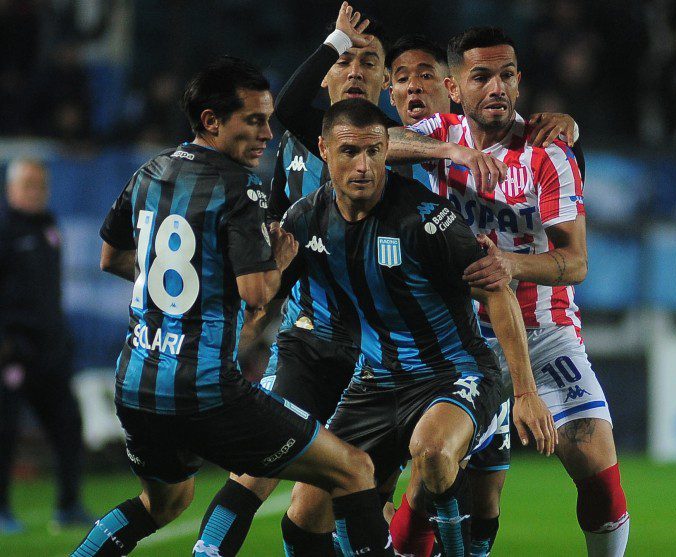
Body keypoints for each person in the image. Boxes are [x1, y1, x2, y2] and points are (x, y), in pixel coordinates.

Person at [192, 6, 512, 555]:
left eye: (371, 61)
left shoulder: (411, 146)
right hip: (315, 341)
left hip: (394, 348)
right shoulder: (299, 141)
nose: (357, 69)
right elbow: (273, 255)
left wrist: (555, 129)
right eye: (345, 58)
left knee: (385, 488)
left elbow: (462, 122)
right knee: (274, 480)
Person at [69, 56, 390, 557]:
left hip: (136, 385)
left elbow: (112, 256)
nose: (266, 132)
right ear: (212, 122)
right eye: (254, 120)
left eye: (268, 119)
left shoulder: (150, 172)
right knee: (352, 469)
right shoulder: (241, 188)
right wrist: (281, 259)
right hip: (206, 393)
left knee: (164, 504)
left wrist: (190, 281)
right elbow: (259, 294)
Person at [388, 27, 630, 557]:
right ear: (455, 88)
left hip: (544, 332)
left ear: (519, 82)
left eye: (506, 75)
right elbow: (373, 144)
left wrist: (509, 263)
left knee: (595, 459)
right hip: (457, 340)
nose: (497, 87)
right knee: (430, 483)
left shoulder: (550, 155)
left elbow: (575, 262)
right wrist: (449, 148)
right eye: (481, 76)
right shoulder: (436, 134)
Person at [279, 98, 557, 557]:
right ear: (324, 151)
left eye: (374, 151)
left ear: (388, 149)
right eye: (350, 152)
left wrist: (526, 393)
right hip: (377, 382)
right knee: (306, 510)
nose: (364, 165)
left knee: (431, 452)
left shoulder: (427, 221)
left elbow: (498, 291)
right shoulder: (306, 220)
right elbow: (260, 297)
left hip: (457, 375)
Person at [0, 159, 91, 533]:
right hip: (13, 351)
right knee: (4, 433)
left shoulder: (50, 227)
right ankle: (1, 510)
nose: (36, 191)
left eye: (41, 185)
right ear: (11, 189)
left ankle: (68, 506)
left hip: (51, 352)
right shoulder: (5, 231)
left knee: (70, 426)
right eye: (28, 185)